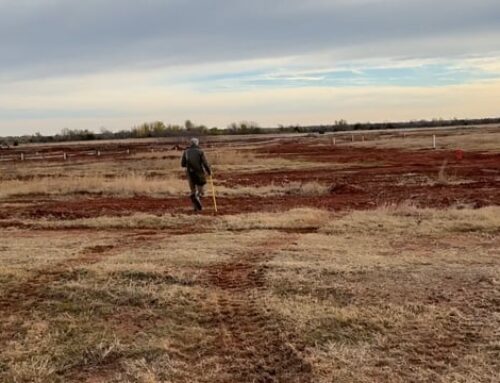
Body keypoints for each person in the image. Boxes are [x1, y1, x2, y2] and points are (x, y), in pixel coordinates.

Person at [181, 138, 212, 211]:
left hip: (189, 174)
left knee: (193, 191)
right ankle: (197, 199)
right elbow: (205, 163)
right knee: (201, 191)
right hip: (199, 173)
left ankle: (195, 207)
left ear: (191, 143)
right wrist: (209, 171)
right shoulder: (200, 151)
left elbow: (183, 164)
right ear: (197, 143)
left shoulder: (186, 151)